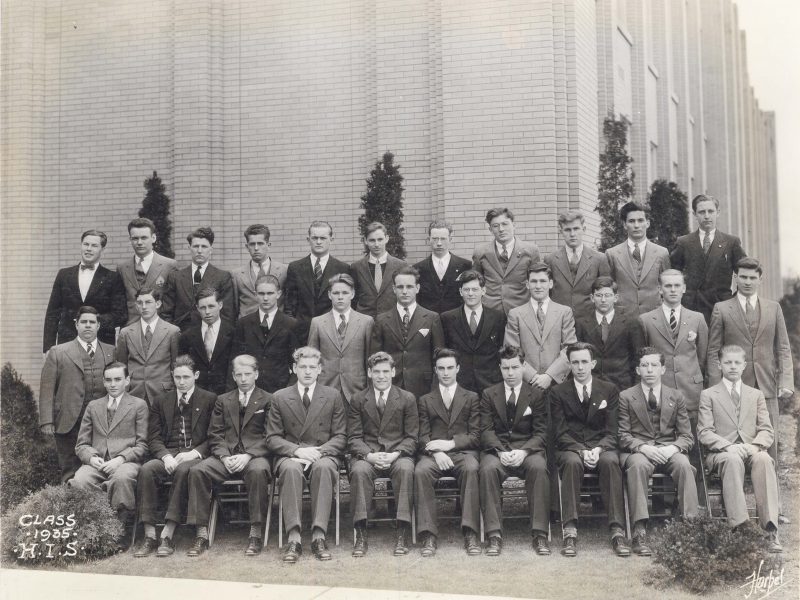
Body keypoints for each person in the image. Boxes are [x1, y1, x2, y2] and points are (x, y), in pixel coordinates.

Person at [707, 257, 793, 468]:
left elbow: (782, 347)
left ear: (760, 280)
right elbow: (713, 350)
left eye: (752, 278)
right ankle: (736, 483)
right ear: (735, 278)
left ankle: (771, 491)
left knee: (768, 436)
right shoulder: (722, 308)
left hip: (766, 382)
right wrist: (715, 386)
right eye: (743, 277)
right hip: (734, 384)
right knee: (733, 435)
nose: (747, 282)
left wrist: (786, 382)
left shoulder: (773, 308)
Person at [186, 355, 272, 557]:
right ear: (233, 376)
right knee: (198, 470)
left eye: (248, 374)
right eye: (239, 374)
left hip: (254, 456)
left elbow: (271, 435)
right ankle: (201, 532)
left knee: (259, 471)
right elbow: (214, 434)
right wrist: (224, 457)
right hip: (226, 456)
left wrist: (249, 455)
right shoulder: (223, 400)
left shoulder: (268, 399)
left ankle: (256, 531)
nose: (243, 379)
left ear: (256, 374)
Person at [698, 345, 782, 552]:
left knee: (764, 459)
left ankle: (770, 529)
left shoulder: (756, 395)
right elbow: (704, 432)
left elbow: (766, 430)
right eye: (728, 362)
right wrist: (728, 446)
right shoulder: (709, 395)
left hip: (750, 450)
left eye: (737, 362)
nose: (733, 367)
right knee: (733, 460)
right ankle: (740, 527)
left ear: (744, 365)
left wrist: (754, 446)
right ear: (719, 365)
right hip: (721, 454)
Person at [549, 343, 629, 558]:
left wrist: (599, 448)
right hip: (570, 447)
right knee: (572, 462)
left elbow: (613, 430)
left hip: (602, 446)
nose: (580, 367)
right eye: (575, 362)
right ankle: (570, 529)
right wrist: (581, 451)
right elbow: (559, 432)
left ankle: (617, 529)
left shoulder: (609, 390)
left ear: (593, 363)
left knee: (611, 462)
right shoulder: (557, 392)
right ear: (569, 365)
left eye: (584, 362)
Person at [267, 347, 347, 563]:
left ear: (320, 369)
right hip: (292, 454)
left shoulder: (332, 395)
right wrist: (297, 450)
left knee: (323, 467)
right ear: (294, 368)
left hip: (322, 453)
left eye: (313, 367)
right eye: (303, 367)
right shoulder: (280, 397)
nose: (308, 372)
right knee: (291, 470)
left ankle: (319, 535)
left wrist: (318, 452)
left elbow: (340, 436)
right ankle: (294, 537)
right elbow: (272, 438)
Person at [618, 347, 699, 556]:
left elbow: (687, 436)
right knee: (638, 466)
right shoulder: (626, 396)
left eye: (654, 365)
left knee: (684, 465)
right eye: (645, 365)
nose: (650, 370)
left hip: (668, 448)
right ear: (637, 370)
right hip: (639, 450)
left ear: (663, 369)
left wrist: (671, 448)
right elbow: (623, 435)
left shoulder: (676, 396)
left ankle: (690, 526)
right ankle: (639, 529)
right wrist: (644, 448)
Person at [133, 355, 216, 558]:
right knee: (146, 470)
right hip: (168, 456)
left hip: (195, 456)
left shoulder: (209, 399)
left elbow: (214, 436)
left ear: (195, 375)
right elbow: (153, 437)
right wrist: (165, 457)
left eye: (186, 377)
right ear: (172, 376)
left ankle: (168, 533)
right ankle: (150, 535)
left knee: (184, 469)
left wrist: (193, 453)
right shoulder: (161, 401)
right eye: (177, 377)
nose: (181, 381)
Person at [479, 345, 550, 557]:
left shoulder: (536, 394)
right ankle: (494, 534)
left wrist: (525, 452)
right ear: (499, 368)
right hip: (498, 452)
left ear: (523, 367)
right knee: (487, 469)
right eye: (506, 368)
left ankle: (540, 534)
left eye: (515, 368)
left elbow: (542, 432)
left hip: (527, 451)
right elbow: (485, 430)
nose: (510, 373)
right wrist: (500, 452)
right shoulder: (489, 394)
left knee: (539, 467)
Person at [348, 351, 419, 558]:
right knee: (359, 471)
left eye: (385, 371)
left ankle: (402, 531)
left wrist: (396, 453)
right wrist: (369, 456)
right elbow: (353, 437)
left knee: (406, 469)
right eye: (376, 371)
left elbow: (412, 436)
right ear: (369, 373)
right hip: (368, 456)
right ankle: (361, 532)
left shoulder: (407, 398)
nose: (381, 376)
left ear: (393, 372)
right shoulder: (358, 399)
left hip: (397, 455)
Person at [70, 362, 148, 544]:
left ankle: (121, 530)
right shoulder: (93, 406)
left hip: (126, 461)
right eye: (109, 380)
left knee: (122, 478)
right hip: (98, 462)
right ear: (104, 383)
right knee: (80, 480)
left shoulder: (138, 405)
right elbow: (81, 444)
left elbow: (142, 445)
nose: (113, 384)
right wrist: (91, 457)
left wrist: (121, 458)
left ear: (127, 381)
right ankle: (95, 526)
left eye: (118, 379)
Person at [414, 348, 481, 557]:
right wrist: (436, 453)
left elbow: (476, 435)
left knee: (472, 468)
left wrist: (450, 445)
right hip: (433, 456)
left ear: (458, 369)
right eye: (441, 368)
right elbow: (421, 436)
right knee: (421, 472)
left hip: (462, 453)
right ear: (435, 370)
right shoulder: (425, 400)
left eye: (450, 368)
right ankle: (428, 534)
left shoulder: (471, 397)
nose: (446, 373)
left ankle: (470, 532)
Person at [39, 306, 116, 482]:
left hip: (101, 421)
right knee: (69, 468)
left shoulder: (111, 351)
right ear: (76, 325)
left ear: (98, 325)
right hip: (68, 420)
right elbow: (47, 388)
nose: (87, 326)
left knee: (97, 466)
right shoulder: (58, 352)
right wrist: (47, 420)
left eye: (92, 322)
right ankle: (71, 506)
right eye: (83, 322)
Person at [633, 270, 708, 419]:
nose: (673, 290)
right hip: (660, 388)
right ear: (660, 289)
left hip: (691, 390)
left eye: (677, 285)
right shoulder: (646, 320)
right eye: (668, 286)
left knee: (692, 437)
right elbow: (642, 358)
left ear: (684, 288)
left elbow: (702, 355)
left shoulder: (697, 318)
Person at [43, 229, 127, 352]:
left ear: (102, 249)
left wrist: (91, 322)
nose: (89, 248)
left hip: (101, 344)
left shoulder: (113, 278)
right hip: (67, 343)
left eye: (94, 245)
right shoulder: (64, 275)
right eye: (86, 244)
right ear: (81, 245)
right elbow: (52, 313)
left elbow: (120, 314)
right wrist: (47, 348)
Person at [369, 266, 445, 399]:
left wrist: (435, 386)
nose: (404, 291)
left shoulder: (432, 318)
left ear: (417, 288)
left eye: (409, 287)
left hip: (423, 386)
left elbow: (438, 357)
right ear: (394, 289)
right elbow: (375, 357)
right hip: (391, 385)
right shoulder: (382, 320)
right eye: (400, 287)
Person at [670, 194, 747, 323]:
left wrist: (735, 300)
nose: (706, 216)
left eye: (710, 211)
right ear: (694, 214)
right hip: (690, 309)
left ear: (718, 213)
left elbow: (746, 271)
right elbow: (671, 274)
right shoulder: (684, 242)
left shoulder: (731, 242)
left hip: (721, 308)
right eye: (701, 212)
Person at [504, 263, 577, 391]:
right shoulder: (515, 314)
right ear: (527, 284)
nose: (538, 286)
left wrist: (549, 376)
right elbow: (511, 351)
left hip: (557, 384)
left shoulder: (564, 312)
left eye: (543, 281)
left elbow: (570, 348)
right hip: (527, 384)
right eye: (534, 281)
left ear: (550, 284)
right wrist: (532, 377)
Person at [307, 273, 373, 404]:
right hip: (326, 388)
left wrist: (370, 389)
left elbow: (369, 359)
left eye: (345, 293)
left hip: (357, 389)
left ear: (352, 294)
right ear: (329, 295)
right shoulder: (318, 322)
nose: (340, 297)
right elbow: (311, 360)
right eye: (336, 293)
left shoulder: (366, 322)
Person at [283, 221, 350, 342]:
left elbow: (347, 303)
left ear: (331, 239)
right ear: (308, 239)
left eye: (323, 238)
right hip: (302, 333)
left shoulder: (343, 268)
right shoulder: (295, 268)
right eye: (315, 238)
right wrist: (294, 327)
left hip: (332, 332)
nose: (318, 242)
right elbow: (289, 305)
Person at [440, 270, 506, 393]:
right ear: (460, 292)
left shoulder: (498, 317)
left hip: (490, 384)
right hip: (460, 384)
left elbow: (501, 350)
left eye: (475, 289)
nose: (470, 293)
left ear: (483, 291)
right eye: (466, 290)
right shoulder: (447, 318)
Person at [233, 274, 299, 392]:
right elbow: (236, 359)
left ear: (278, 294)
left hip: (280, 389)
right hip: (251, 389)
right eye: (261, 294)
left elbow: (296, 362)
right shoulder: (243, 323)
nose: (265, 298)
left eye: (270, 293)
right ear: (255, 294)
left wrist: (289, 390)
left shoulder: (291, 324)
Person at [161, 227, 235, 331]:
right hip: (181, 334)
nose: (199, 251)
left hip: (210, 335)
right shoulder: (175, 277)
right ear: (189, 248)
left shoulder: (222, 277)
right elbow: (166, 312)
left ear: (211, 250)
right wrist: (173, 333)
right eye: (196, 246)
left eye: (204, 246)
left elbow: (228, 314)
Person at [116, 287, 181, 405]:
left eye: (148, 302)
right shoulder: (126, 332)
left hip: (163, 393)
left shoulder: (172, 331)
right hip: (134, 393)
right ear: (136, 306)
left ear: (158, 304)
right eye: (140, 303)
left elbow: (175, 366)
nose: (144, 307)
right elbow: (122, 366)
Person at [605, 202, 670, 316]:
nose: (636, 225)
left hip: (654, 316)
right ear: (624, 225)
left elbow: (667, 286)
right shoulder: (612, 254)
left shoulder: (662, 253)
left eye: (640, 220)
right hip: (623, 317)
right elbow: (608, 288)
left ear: (648, 223)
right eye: (631, 221)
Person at [472, 208, 540, 314]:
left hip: (522, 311)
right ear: (490, 229)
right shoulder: (480, 253)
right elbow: (476, 284)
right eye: (496, 226)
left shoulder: (531, 251)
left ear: (514, 225)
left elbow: (537, 283)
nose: (501, 229)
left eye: (505, 224)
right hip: (490, 312)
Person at [545, 211, 610, 321]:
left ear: (583, 229)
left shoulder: (599, 259)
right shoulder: (550, 259)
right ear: (561, 232)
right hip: (559, 320)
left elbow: (605, 292)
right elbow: (547, 294)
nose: (572, 234)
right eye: (567, 230)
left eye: (576, 229)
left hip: (590, 321)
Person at [574, 276, 637, 390]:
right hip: (590, 386)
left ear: (616, 297)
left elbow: (636, 357)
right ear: (592, 298)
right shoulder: (581, 322)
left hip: (622, 385)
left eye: (607, 295)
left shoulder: (630, 322)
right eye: (599, 295)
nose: (603, 300)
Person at [118, 218, 178, 325]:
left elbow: (172, 303)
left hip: (160, 328)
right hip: (131, 329)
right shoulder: (122, 267)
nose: (139, 242)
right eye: (135, 238)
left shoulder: (169, 265)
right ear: (130, 240)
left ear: (153, 238)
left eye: (144, 238)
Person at [178, 287, 235, 395]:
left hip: (225, 394)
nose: (207, 312)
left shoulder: (233, 333)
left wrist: (228, 395)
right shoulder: (187, 336)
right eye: (203, 307)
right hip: (197, 395)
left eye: (211, 306)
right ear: (197, 308)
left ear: (220, 305)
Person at [413, 220, 472, 314]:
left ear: (450, 239)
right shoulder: (418, 268)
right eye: (435, 239)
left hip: (456, 321)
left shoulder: (465, 266)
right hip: (428, 322)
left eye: (443, 239)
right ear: (429, 240)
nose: (439, 243)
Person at [351, 222, 407, 318]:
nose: (376, 244)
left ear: (387, 239)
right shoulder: (356, 267)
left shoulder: (401, 266)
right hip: (364, 321)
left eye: (380, 239)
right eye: (372, 240)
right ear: (365, 241)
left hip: (392, 321)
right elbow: (353, 297)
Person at [232, 224, 288, 319]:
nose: (256, 248)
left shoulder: (284, 270)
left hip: (277, 327)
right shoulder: (236, 274)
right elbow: (234, 307)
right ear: (247, 246)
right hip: (247, 328)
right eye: (252, 244)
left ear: (268, 245)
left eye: (260, 243)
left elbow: (288, 303)